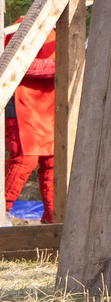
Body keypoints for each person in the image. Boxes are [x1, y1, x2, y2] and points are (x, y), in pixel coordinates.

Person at [3, 15, 56, 222]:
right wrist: (59, 66)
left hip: (48, 106)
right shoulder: (24, 25)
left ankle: (53, 226)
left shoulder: (62, 30)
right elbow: (15, 62)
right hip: (21, 101)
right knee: (24, 160)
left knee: (53, 162)